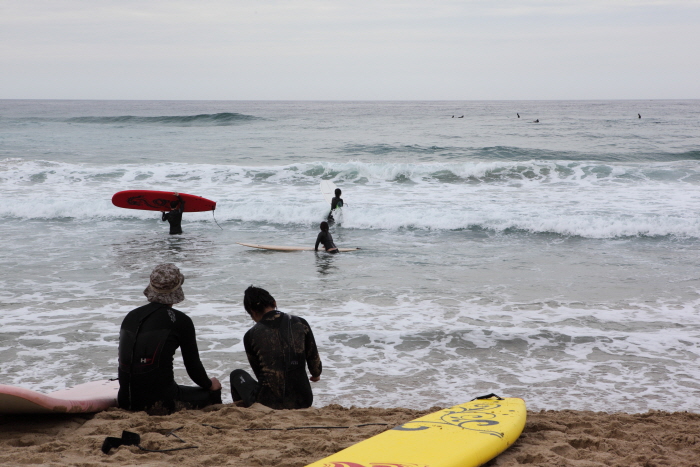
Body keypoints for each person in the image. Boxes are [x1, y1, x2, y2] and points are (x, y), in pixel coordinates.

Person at [117, 263, 222, 412]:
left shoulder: (131, 316)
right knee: (211, 392)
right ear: (178, 288)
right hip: (161, 403)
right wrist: (210, 385)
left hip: (125, 400)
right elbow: (193, 367)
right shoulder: (180, 321)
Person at [232, 286, 322, 410]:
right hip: (303, 400)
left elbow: (259, 372)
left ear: (252, 312)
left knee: (236, 374)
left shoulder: (251, 335)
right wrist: (316, 375)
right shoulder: (301, 323)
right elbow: (314, 361)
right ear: (274, 303)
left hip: (268, 402)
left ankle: (244, 412)